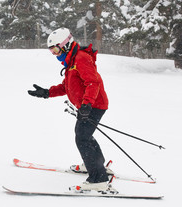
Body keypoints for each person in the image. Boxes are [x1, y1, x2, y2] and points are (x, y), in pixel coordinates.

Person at [28, 27, 116, 192]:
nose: (54, 54)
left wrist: (87, 105)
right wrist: (47, 92)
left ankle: (98, 179)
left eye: (55, 49)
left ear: (65, 45)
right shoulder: (72, 60)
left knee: (82, 137)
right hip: (87, 105)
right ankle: (97, 166)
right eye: (51, 51)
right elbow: (67, 86)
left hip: (94, 105)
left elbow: (93, 83)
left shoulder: (81, 58)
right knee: (85, 135)